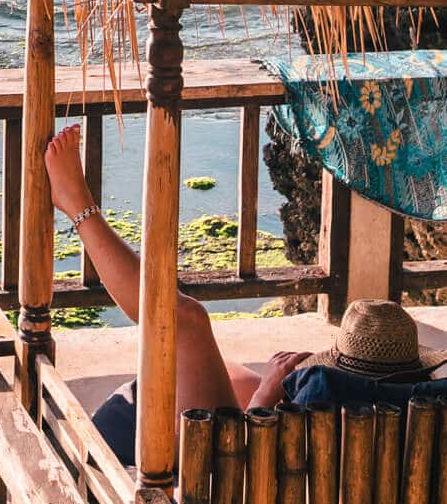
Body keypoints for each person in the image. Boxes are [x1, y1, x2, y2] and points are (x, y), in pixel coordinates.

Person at [43, 123, 447, 466]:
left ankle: (79, 207)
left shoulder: (328, 409)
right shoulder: (421, 422)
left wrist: (268, 393)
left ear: (344, 372)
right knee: (226, 368)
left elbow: (252, 464)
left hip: (225, 488)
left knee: (186, 322)